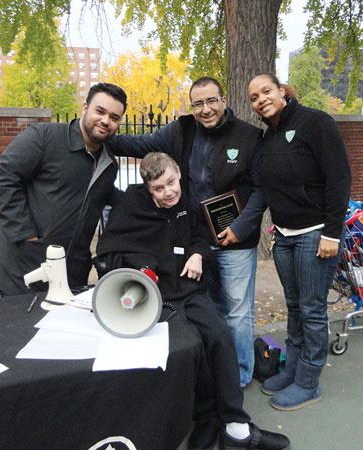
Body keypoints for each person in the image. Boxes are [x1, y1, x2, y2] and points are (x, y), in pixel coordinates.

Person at [95, 152, 290, 450]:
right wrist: (144, 264)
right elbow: (110, 251)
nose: (168, 192)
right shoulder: (131, 205)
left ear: (178, 173)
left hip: (191, 290)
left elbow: (202, 237)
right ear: (148, 188)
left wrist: (199, 254)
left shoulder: (187, 202)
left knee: (219, 337)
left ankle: (236, 425)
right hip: (154, 298)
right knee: (191, 347)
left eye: (171, 183)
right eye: (158, 188)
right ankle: (206, 417)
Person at [109, 77, 263, 387]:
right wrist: (100, 134)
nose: (205, 109)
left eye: (211, 101)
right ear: (191, 106)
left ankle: (241, 375)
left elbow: (262, 190)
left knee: (237, 311)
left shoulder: (250, 137)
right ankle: (216, 371)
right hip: (194, 237)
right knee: (210, 310)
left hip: (235, 238)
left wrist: (239, 227)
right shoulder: (180, 130)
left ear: (224, 100)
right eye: (197, 103)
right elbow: (139, 145)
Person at [247, 73, 352, 410]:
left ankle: (309, 382)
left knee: (312, 310)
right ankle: (292, 370)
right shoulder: (268, 138)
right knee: (294, 307)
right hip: (285, 237)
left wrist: (332, 233)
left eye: (266, 91)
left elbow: (339, 178)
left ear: (281, 91)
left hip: (316, 234)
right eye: (253, 97)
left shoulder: (315, 123)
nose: (261, 99)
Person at [0, 83, 127, 296]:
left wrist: (150, 195)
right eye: (100, 111)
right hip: (23, 265)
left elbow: (103, 195)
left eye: (114, 117)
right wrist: (26, 233)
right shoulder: (45, 137)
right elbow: (5, 177)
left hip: (70, 273)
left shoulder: (108, 164)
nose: (106, 120)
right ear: (85, 108)